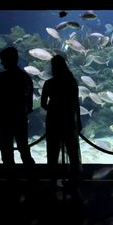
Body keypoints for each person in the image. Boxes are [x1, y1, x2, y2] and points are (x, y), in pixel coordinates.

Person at [0, 46, 35, 181]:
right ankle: (33, 180)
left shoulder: (0, 77)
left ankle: (12, 181)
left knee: (7, 153)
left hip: (3, 120)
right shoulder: (26, 77)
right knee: (24, 151)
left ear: (7, 60)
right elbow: (30, 103)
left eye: (3, 59)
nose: (2, 62)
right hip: (20, 118)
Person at [41, 55, 82, 193]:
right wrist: (79, 121)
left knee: (53, 150)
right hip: (69, 118)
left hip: (53, 119)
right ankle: (74, 180)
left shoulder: (49, 83)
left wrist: (52, 110)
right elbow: (76, 104)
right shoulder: (72, 82)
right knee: (72, 150)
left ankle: (52, 180)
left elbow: (42, 104)